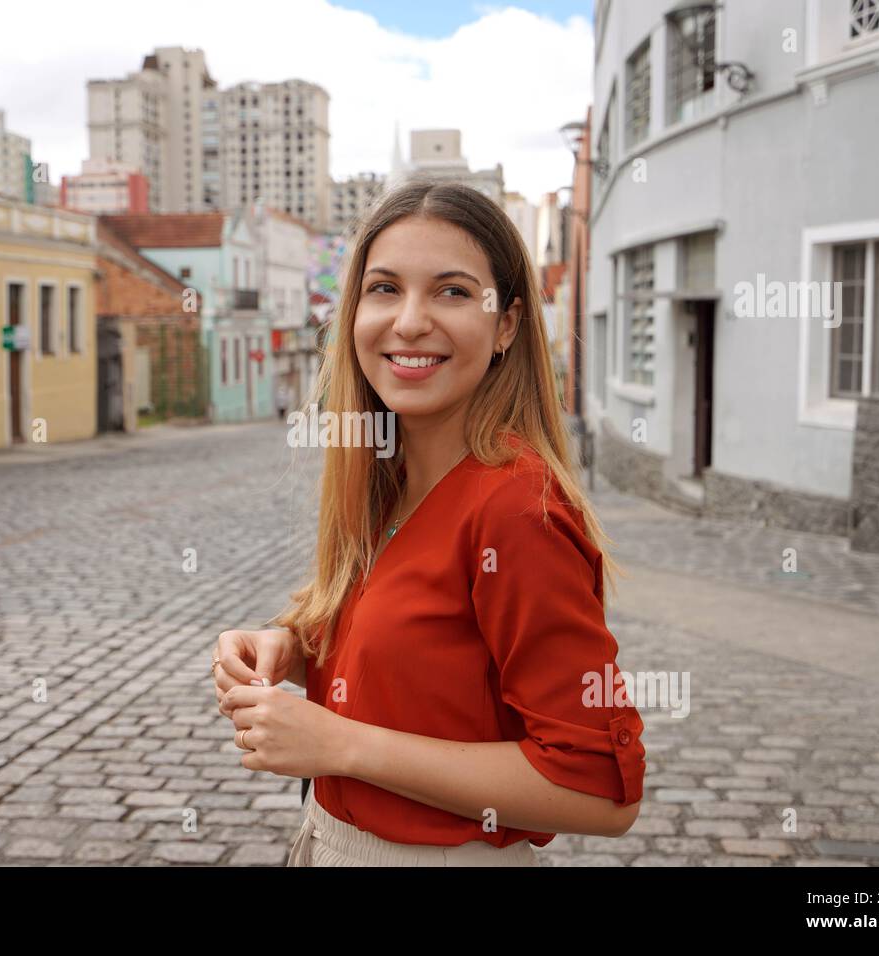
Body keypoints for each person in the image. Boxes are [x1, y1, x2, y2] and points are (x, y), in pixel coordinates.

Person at [211, 179, 645, 866]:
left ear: (506, 324)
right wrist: (289, 647)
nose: (409, 321)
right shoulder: (385, 481)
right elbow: (418, 656)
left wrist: (339, 744)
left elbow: (601, 792)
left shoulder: (514, 510)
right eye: (384, 288)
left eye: (451, 291)